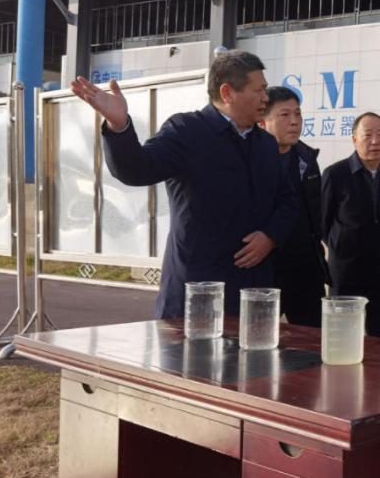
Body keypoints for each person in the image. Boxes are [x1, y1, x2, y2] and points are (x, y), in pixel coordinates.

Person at [70, 50, 299, 318]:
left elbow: (287, 200)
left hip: (253, 292)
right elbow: (137, 170)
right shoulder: (187, 131)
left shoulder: (266, 144)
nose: (265, 98)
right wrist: (119, 126)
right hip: (197, 293)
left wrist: (270, 236)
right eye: (259, 90)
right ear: (227, 93)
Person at [320, 112, 380, 339]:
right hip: (346, 269)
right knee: (341, 333)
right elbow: (323, 222)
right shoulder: (335, 174)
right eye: (367, 135)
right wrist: (343, 245)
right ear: (354, 139)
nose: (375, 141)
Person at [258, 86, 330, 328]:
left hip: (306, 268)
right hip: (266, 268)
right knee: (259, 336)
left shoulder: (307, 159)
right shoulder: (253, 161)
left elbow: (317, 211)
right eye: (284, 115)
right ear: (262, 123)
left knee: (313, 340)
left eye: (297, 114)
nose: (294, 121)